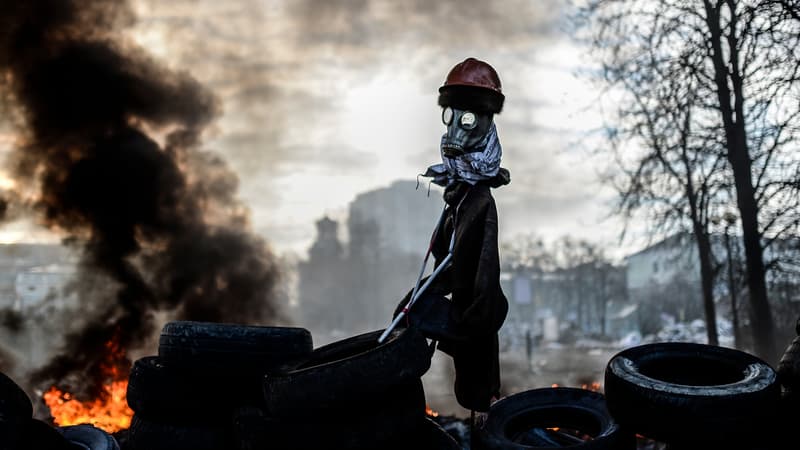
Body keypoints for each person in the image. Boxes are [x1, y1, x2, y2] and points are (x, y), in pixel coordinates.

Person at [396, 57, 510, 414]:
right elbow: (451, 258)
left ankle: (487, 412)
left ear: (485, 122)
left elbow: (484, 280)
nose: (455, 130)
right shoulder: (460, 193)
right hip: (466, 310)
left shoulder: (478, 201)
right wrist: (421, 297)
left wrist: (462, 328)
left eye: (467, 119)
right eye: (452, 116)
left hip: (474, 319)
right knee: (408, 312)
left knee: (477, 392)